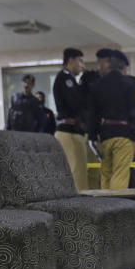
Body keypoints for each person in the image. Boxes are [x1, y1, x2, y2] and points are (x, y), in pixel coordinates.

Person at [88, 50, 135, 189]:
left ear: (108, 66)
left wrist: (93, 137)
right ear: (125, 68)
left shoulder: (97, 85)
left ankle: (106, 208)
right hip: (124, 136)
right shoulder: (130, 83)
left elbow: (93, 114)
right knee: (120, 174)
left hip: (105, 135)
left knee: (106, 174)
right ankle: (117, 208)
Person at [53, 47, 89, 189]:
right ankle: (78, 209)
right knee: (76, 175)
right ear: (71, 60)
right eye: (80, 61)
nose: (83, 65)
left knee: (78, 173)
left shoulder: (70, 78)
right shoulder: (65, 78)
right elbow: (76, 103)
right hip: (69, 132)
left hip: (72, 131)